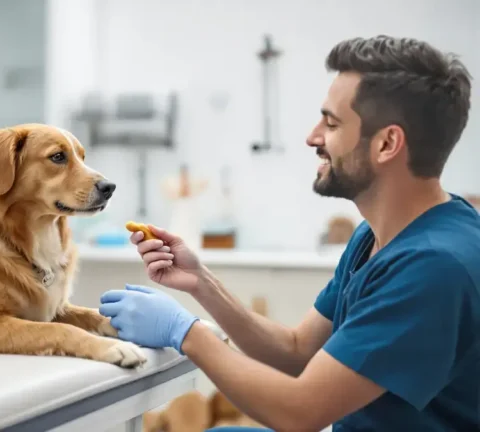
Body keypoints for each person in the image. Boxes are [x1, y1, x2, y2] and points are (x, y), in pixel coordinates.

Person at [98, 35, 479, 432]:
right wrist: (201, 283)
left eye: (331, 123)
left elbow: (301, 411)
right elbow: (298, 352)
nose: (313, 137)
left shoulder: (434, 268)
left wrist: (184, 332)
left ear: (387, 144)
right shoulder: (376, 237)